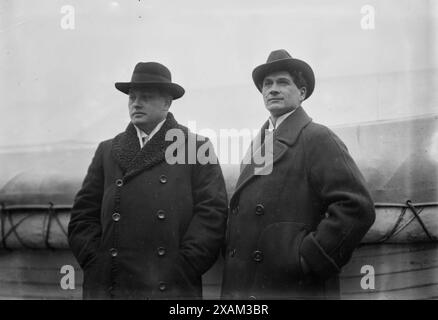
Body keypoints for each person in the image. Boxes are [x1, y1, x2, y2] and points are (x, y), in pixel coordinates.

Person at [221, 49, 376, 299]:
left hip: (294, 286)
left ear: (302, 93)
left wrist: (309, 258)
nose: (272, 89)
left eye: (283, 82)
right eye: (267, 84)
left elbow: (357, 206)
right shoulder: (257, 145)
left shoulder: (317, 137)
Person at [68, 62, 228, 299]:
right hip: (109, 283)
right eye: (132, 97)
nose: (136, 103)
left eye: (146, 97)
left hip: (168, 285)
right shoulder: (107, 150)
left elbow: (212, 214)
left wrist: (184, 266)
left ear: (167, 103)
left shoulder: (195, 147)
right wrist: (96, 261)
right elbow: (82, 216)